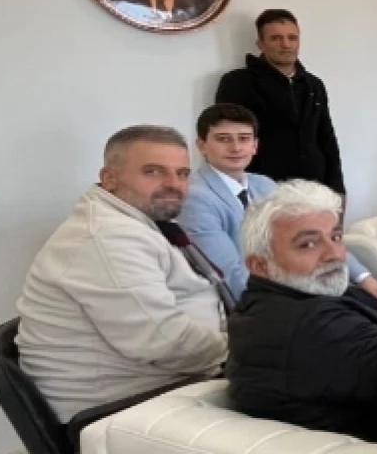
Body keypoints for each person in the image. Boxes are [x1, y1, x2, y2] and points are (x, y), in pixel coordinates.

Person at [16, 126, 226, 423]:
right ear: (109, 178)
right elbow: (165, 342)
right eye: (153, 172)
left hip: (164, 388)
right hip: (119, 409)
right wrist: (242, 349)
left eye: (182, 173)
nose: (173, 184)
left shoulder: (137, 222)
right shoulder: (107, 237)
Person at [226, 180, 377, 447]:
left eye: (335, 237)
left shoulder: (266, 305)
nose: (334, 254)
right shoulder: (312, 326)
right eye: (308, 244)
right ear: (260, 265)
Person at [178, 104, 377, 321]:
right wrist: (291, 310)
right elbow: (229, 273)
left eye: (244, 139)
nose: (236, 148)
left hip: (306, 279)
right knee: (375, 328)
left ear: (255, 145)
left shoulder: (264, 184)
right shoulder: (196, 198)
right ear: (202, 145)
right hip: (274, 299)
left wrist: (364, 278)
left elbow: (321, 235)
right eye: (223, 139)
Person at [215, 9, 345, 195]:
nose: (286, 45)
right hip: (262, 189)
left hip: (315, 188)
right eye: (276, 38)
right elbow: (227, 140)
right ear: (261, 44)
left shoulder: (314, 85)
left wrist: (338, 189)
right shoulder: (237, 83)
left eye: (292, 38)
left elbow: (327, 139)